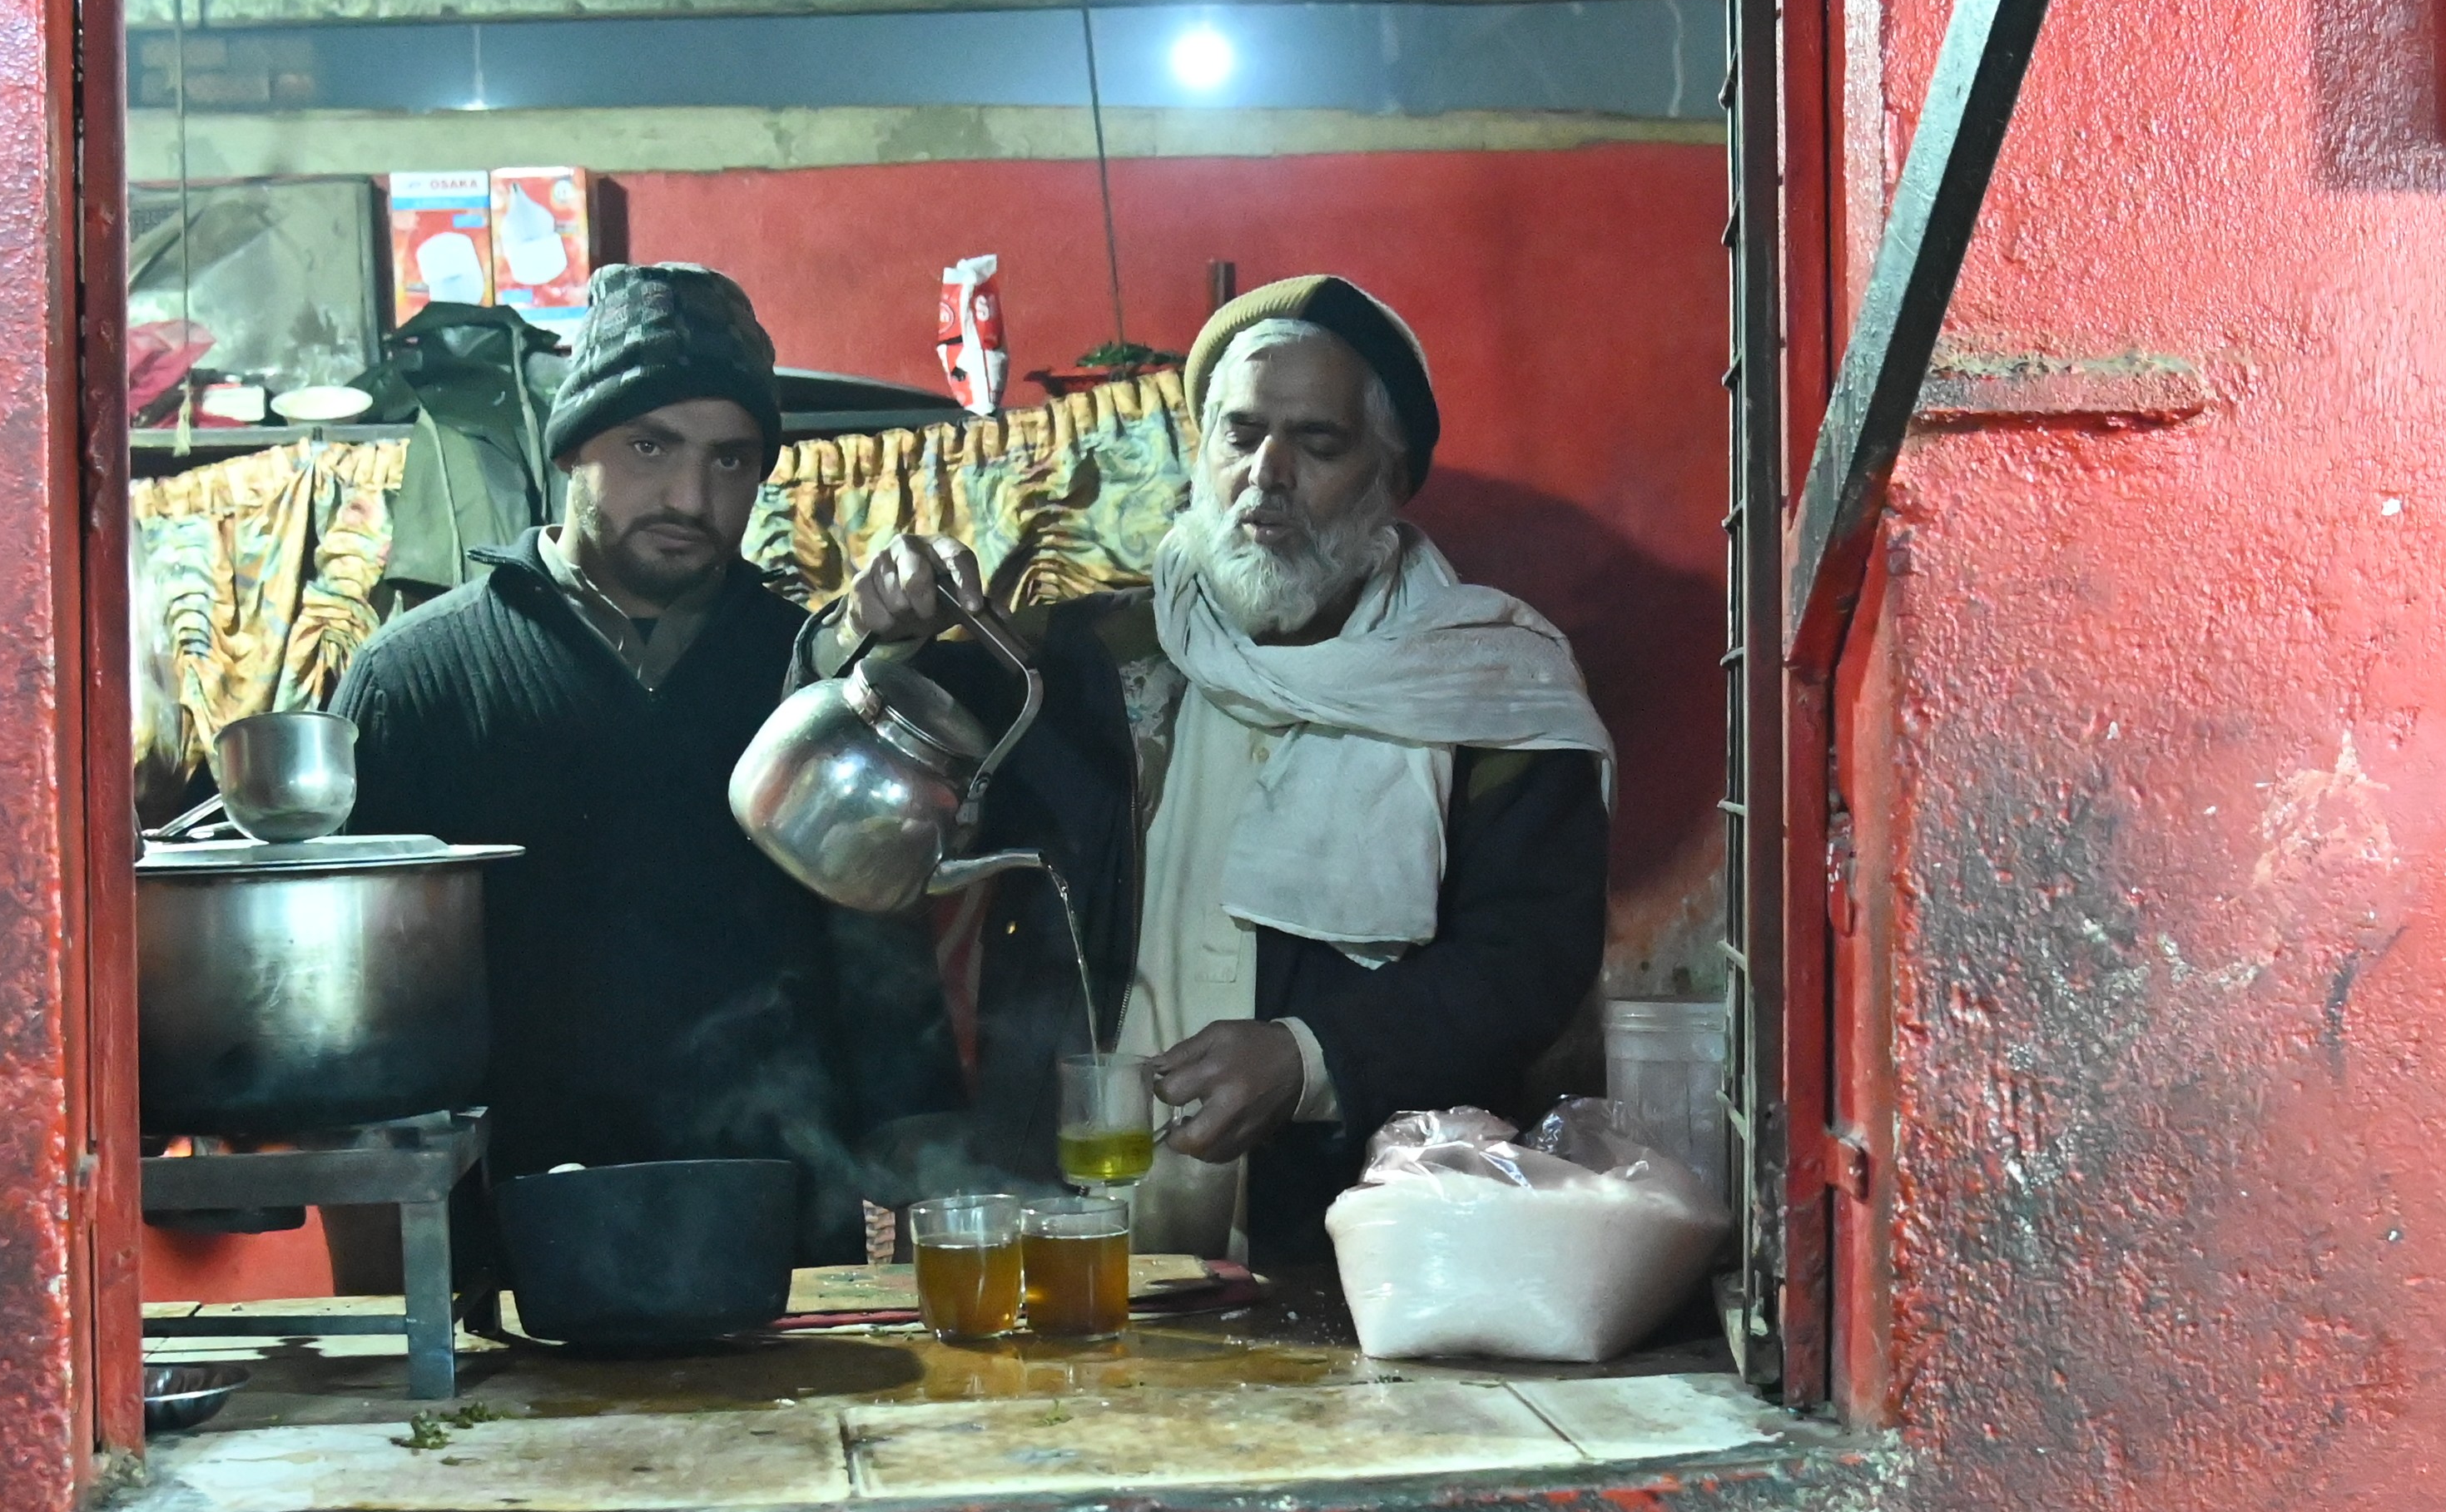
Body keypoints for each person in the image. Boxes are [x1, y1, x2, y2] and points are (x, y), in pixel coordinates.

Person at [844, 275, 1610, 1267]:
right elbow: (861, 734)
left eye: (1317, 443)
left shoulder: (1496, 684)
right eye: (1239, 434)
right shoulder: (1075, 658)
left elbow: (1526, 962)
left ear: (1393, 474)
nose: (1267, 472)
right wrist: (874, 623)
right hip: (1072, 1218)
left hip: (1360, 1237)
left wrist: (1312, 1056)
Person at [334, 264, 946, 1232]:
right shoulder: (417, 679)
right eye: (650, 446)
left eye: (731, 461)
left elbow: (879, 967)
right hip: (509, 1235)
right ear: (573, 447)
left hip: (778, 1220)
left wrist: (928, 1164)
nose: (691, 496)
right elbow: (362, 1020)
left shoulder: (811, 679)